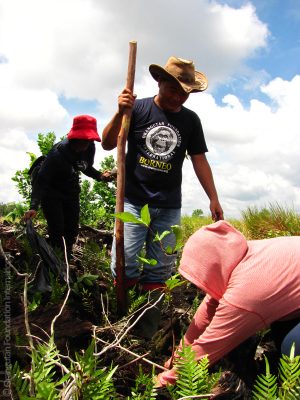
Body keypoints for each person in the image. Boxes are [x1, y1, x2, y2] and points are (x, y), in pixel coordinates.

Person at [101, 56, 224, 293]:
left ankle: (148, 325)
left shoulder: (190, 120)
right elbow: (107, 143)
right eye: (172, 90)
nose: (177, 97)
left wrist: (213, 197)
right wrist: (120, 113)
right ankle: (123, 316)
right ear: (159, 82)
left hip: (168, 206)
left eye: (184, 93)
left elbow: (199, 159)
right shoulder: (137, 109)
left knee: (160, 272)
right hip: (133, 201)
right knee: (124, 264)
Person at [156, 220, 300, 387]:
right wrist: (178, 357)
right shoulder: (239, 256)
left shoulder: (248, 290)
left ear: (211, 268)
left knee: (293, 346)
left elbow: (210, 346)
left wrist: (163, 381)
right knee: (284, 329)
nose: (197, 288)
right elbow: (205, 313)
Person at [24, 114, 113, 259]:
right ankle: (54, 259)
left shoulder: (90, 148)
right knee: (57, 228)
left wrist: (100, 176)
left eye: (88, 141)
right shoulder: (57, 153)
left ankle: (67, 257)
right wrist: (33, 206)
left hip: (70, 189)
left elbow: (85, 167)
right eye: (82, 141)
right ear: (74, 138)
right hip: (51, 192)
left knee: (71, 228)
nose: (84, 145)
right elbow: (42, 180)